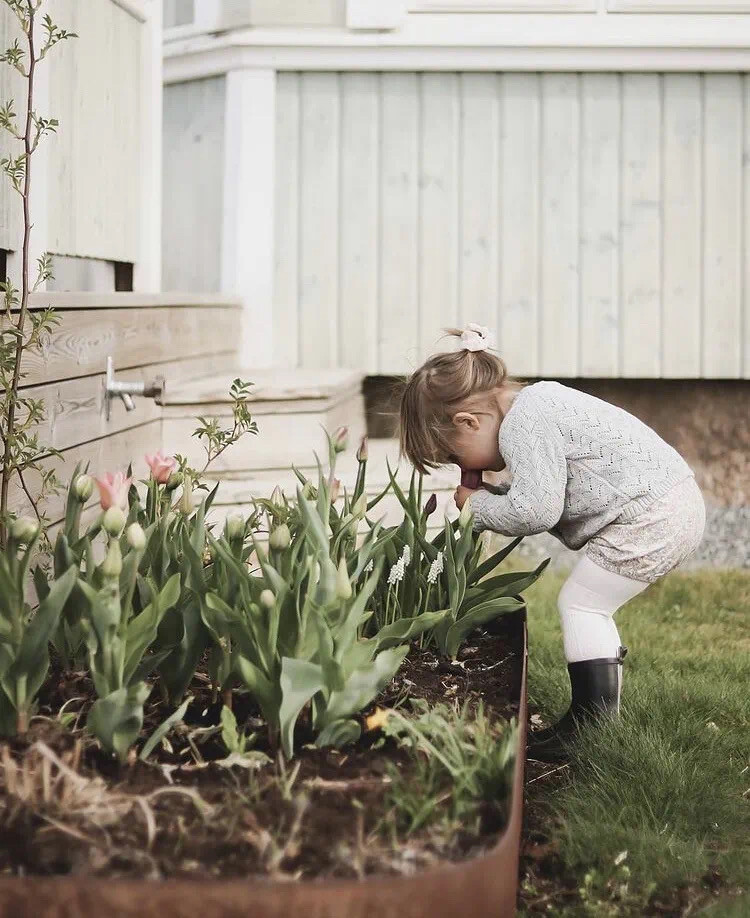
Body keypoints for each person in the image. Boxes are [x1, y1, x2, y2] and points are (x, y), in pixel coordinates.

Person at [398, 324, 706, 761]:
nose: (459, 465)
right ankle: (599, 716)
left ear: (468, 421)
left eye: (453, 455)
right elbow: (542, 493)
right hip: (670, 500)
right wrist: (493, 498)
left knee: (583, 605)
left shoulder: (523, 424)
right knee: (589, 604)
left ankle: (592, 728)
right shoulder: (534, 405)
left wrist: (478, 508)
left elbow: (536, 511)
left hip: (651, 516)